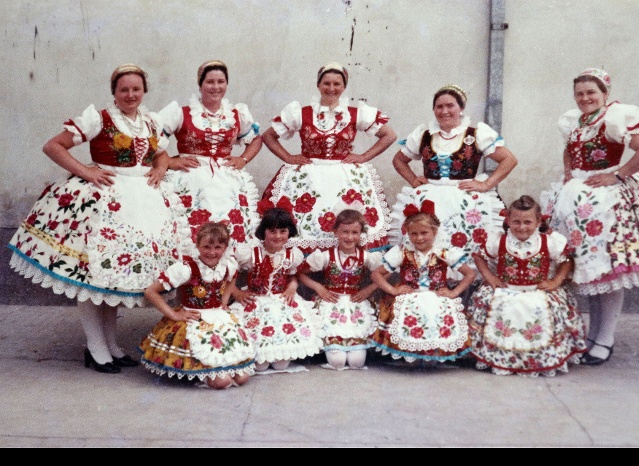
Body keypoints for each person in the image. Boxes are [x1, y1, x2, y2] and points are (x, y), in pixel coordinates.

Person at [8, 64, 184, 374]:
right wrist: (87, 171)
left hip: (141, 203)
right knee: (91, 276)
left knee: (112, 274)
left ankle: (111, 345)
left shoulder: (151, 122)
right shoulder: (98, 119)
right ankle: (95, 346)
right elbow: (53, 146)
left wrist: (159, 169)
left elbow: (162, 154)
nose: (130, 95)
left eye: (136, 89)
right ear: (114, 92)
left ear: (144, 92)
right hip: (103, 202)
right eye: (123, 89)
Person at [541, 68, 639, 365]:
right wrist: (567, 174)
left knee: (608, 271)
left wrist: (617, 175)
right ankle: (592, 336)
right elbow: (568, 150)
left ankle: (606, 338)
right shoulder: (574, 121)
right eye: (580, 93)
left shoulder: (615, 117)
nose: (585, 98)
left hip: (606, 204)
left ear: (605, 94)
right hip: (576, 198)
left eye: (591, 93)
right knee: (587, 271)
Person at [261, 62, 397, 254]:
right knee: (304, 219)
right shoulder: (302, 113)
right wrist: (288, 157)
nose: (331, 89)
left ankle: (342, 264)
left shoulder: (355, 114)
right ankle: (305, 261)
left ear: (343, 87)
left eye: (337, 84)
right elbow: (268, 136)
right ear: (318, 85)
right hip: (309, 173)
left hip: (344, 174)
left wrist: (364, 156)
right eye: (326, 83)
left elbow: (389, 135)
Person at [391, 84, 517, 272]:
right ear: (434, 110)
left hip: (464, 197)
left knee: (465, 241)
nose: (445, 111)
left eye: (450, 106)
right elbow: (399, 160)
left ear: (461, 108)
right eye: (439, 107)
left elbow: (509, 159)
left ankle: (463, 283)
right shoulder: (424, 135)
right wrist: (413, 180)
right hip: (430, 197)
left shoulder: (476, 134)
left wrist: (487, 184)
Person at [468, 195, 587, 377]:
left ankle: (539, 359)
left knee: (548, 310)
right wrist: (490, 277)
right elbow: (479, 257)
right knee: (494, 306)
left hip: (536, 290)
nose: (522, 227)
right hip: (506, 288)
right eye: (516, 221)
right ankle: (501, 358)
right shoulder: (499, 240)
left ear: (539, 221)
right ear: (507, 220)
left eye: (527, 222)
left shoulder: (549, 241)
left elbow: (566, 260)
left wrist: (556, 281)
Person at [159, 59, 262, 254]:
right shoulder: (182, 113)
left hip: (227, 179)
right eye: (210, 82)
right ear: (200, 84)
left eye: (221, 82)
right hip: (191, 178)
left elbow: (256, 139)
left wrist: (243, 159)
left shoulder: (236, 113)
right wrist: (171, 161)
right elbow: (151, 138)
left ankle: (227, 271)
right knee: (191, 226)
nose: (216, 87)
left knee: (230, 226)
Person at [139, 223, 255, 389]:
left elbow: (232, 280)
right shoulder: (187, 268)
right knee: (222, 382)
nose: (212, 252)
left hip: (218, 318)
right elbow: (150, 292)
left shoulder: (228, 265)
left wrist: (223, 302)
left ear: (225, 247)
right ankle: (201, 376)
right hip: (194, 318)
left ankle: (217, 372)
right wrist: (174, 314)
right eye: (206, 246)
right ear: (197, 245)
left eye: (218, 247)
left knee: (242, 378)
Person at [370, 200, 476, 364]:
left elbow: (469, 274)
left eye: (424, 233)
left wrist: (454, 292)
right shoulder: (402, 252)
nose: (419, 238)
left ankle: (432, 353)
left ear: (434, 232)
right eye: (414, 234)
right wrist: (392, 290)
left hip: (436, 294)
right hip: (410, 294)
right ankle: (411, 353)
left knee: (436, 309)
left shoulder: (443, 253)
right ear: (408, 234)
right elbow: (376, 274)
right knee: (409, 311)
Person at [228, 201, 324, 372]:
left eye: (283, 231)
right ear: (263, 232)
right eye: (272, 231)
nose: (278, 236)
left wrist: (292, 287)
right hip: (255, 301)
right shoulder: (250, 253)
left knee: (281, 363)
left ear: (290, 232)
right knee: (260, 365)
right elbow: (228, 275)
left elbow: (292, 275)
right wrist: (236, 293)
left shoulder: (292, 255)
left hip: (281, 299)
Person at [298, 208, 383, 370]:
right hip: (331, 305)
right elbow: (299, 273)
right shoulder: (325, 256)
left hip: (355, 306)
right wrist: (318, 287)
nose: (349, 237)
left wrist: (369, 289)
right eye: (344, 232)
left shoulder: (366, 256)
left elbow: (384, 273)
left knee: (357, 362)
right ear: (335, 231)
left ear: (360, 234)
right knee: (337, 362)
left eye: (355, 232)